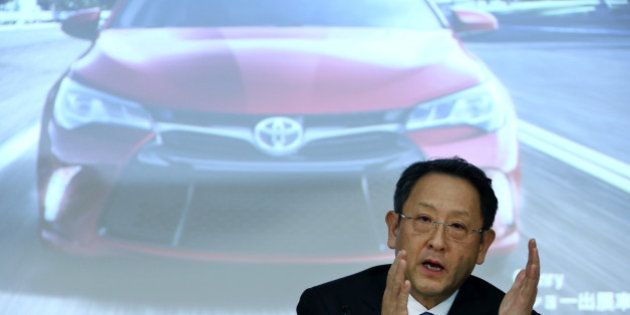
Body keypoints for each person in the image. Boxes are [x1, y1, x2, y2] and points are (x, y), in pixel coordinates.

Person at [297, 157, 540, 315]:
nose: (437, 242)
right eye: (424, 220)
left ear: (482, 246)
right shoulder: (327, 306)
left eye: (457, 226)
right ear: (394, 229)